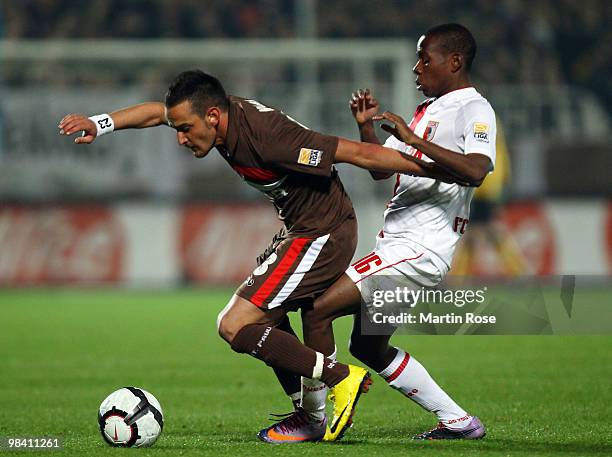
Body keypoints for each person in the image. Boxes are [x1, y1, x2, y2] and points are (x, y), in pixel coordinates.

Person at [58, 70, 465, 444]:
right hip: (301, 231)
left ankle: (340, 379)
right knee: (267, 321)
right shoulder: (212, 116)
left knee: (234, 325)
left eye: (185, 129)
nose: (180, 138)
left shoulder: (269, 138)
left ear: (213, 117)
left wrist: (439, 168)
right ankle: (310, 415)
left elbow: (357, 154)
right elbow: (155, 113)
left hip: (322, 234)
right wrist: (101, 123)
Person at [299, 23, 495, 441]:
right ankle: (458, 422)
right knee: (368, 347)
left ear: (455, 62)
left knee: (318, 310)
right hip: (402, 247)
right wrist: (367, 129)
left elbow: (477, 171)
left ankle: (311, 419)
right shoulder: (429, 111)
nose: (416, 67)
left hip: (418, 249)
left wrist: (411, 139)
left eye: (425, 59)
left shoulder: (474, 110)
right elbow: (380, 172)